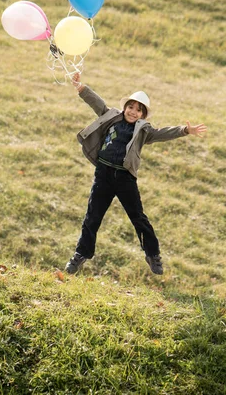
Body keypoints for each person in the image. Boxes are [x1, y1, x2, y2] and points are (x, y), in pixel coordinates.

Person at [65, 72, 207, 275]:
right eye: (130, 107)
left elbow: (162, 133)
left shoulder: (143, 131)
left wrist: (185, 130)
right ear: (125, 107)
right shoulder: (111, 116)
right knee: (92, 217)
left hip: (125, 178)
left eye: (138, 110)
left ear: (142, 115)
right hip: (103, 174)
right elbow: (96, 102)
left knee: (138, 218)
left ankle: (153, 255)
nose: (132, 112)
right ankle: (81, 255)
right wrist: (80, 87)